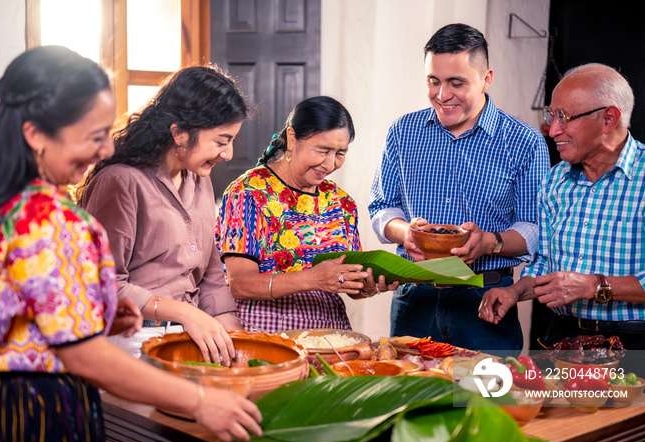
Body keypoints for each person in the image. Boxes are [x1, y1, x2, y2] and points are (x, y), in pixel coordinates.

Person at [0, 46, 261, 442]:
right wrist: (200, 401)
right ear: (36, 133)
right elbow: (84, 356)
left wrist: (101, 314)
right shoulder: (48, 218)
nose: (106, 151)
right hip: (34, 410)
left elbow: (5, 310)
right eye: (93, 137)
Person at [368, 23, 550, 352]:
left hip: (486, 301)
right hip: (415, 296)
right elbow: (382, 206)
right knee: (412, 398)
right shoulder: (403, 132)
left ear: (486, 78)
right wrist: (403, 233)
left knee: (482, 401)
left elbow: (536, 226)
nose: (442, 95)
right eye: (433, 81)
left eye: (456, 83)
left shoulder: (525, 142)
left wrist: (490, 243)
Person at [479, 63, 645, 371]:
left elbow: (581, 285)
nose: (553, 130)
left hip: (634, 345)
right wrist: (516, 290)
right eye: (551, 115)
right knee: (528, 414)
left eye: (564, 118)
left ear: (609, 118)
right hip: (561, 339)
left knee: (618, 422)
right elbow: (546, 264)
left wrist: (595, 286)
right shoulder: (554, 181)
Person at [80, 66, 247, 362]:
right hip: (132, 342)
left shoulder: (200, 181)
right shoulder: (120, 182)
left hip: (191, 335)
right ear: (180, 134)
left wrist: (234, 339)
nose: (229, 154)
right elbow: (103, 284)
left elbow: (210, 274)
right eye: (221, 141)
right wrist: (184, 312)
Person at [216, 96, 398, 333]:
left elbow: (344, 279)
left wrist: (366, 287)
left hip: (330, 336)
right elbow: (239, 284)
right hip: (265, 334)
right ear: (292, 139)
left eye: (340, 153)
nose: (330, 164)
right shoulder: (248, 193)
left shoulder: (341, 203)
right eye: (323, 150)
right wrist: (314, 278)